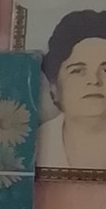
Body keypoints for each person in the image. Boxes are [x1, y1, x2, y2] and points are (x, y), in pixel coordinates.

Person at [37, 9, 106, 167]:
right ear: (54, 87)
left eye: (105, 70)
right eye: (78, 71)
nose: (94, 80)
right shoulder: (30, 145)